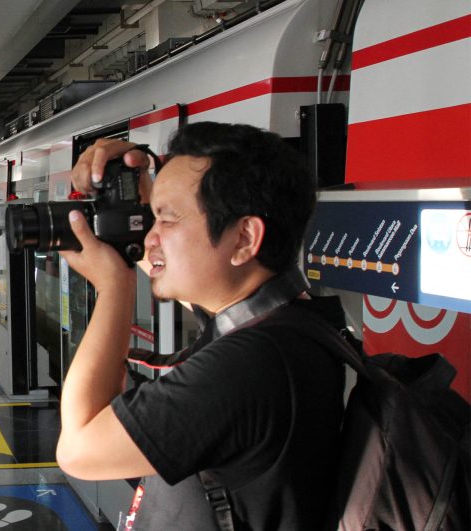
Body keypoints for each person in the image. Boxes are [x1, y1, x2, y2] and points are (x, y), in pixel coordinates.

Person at [57, 122, 346, 530]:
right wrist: (127, 214)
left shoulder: (247, 369)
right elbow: (170, 266)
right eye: (151, 216)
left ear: (245, 238)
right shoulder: (287, 325)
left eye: (167, 219)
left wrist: (114, 284)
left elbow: (79, 448)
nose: (151, 236)